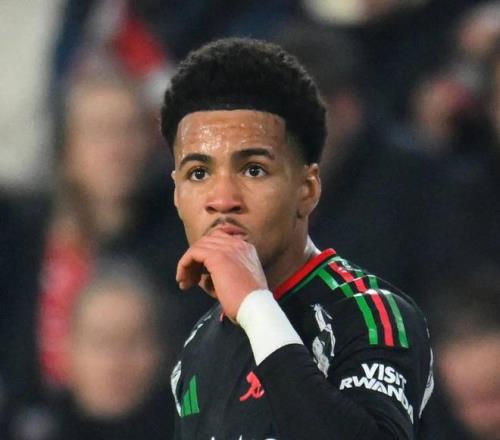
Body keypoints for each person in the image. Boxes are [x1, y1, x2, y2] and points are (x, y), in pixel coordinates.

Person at [160, 38, 433, 439]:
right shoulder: (196, 349)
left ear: (307, 189)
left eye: (253, 170)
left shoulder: (370, 314)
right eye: (198, 173)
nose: (222, 199)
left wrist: (255, 306)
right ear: (177, 195)